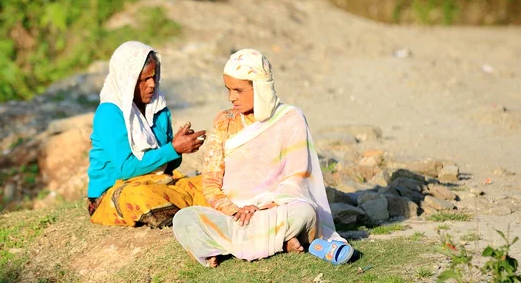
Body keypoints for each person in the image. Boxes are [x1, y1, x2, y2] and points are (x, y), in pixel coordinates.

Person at [173, 49, 346, 267]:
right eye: (228, 89)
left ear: (260, 87)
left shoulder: (290, 118)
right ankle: (280, 243)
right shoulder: (223, 121)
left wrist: (263, 208)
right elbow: (210, 183)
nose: (231, 97)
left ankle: (234, 246)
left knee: (305, 213)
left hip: (274, 210)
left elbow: (297, 177)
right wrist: (236, 211)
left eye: (238, 90)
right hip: (235, 217)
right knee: (184, 219)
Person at [87, 41, 208, 227]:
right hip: (115, 191)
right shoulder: (109, 113)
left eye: (153, 77)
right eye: (143, 80)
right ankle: (186, 209)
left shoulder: (158, 109)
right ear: (127, 81)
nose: (151, 85)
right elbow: (126, 169)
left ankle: (184, 207)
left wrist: (180, 148)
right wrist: (172, 149)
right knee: (139, 197)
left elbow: (168, 166)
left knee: (209, 183)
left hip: (158, 182)